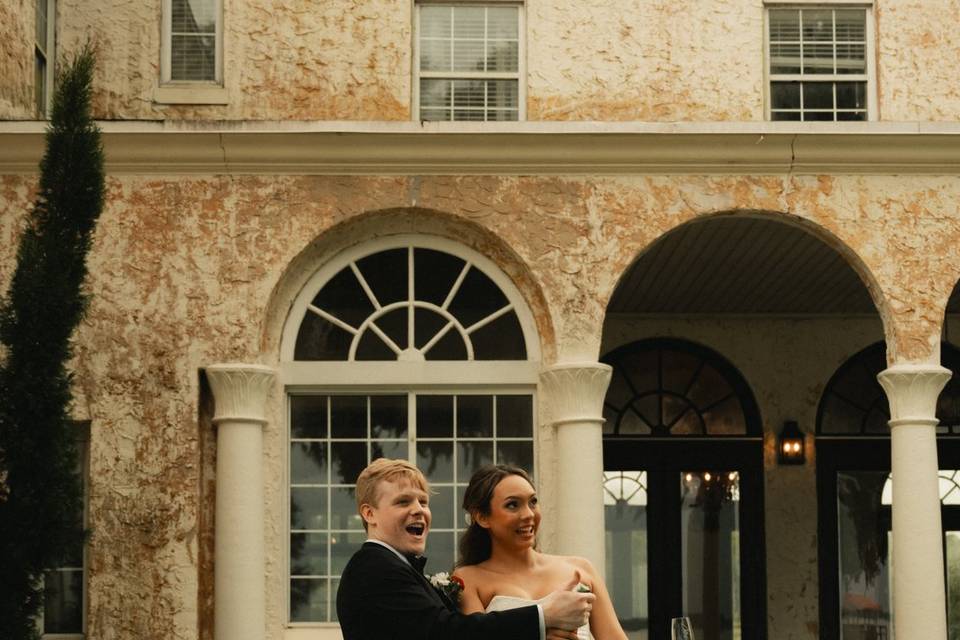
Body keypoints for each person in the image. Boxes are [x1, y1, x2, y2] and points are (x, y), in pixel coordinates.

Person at [336, 458, 595, 640]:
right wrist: (543, 615)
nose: (418, 510)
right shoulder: (373, 569)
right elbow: (447, 633)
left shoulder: (393, 567)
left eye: (423, 502)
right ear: (369, 514)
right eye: (403, 502)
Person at [453, 465, 628, 640]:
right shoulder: (468, 580)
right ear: (482, 517)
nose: (529, 514)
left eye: (533, 502)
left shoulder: (581, 569)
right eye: (512, 505)